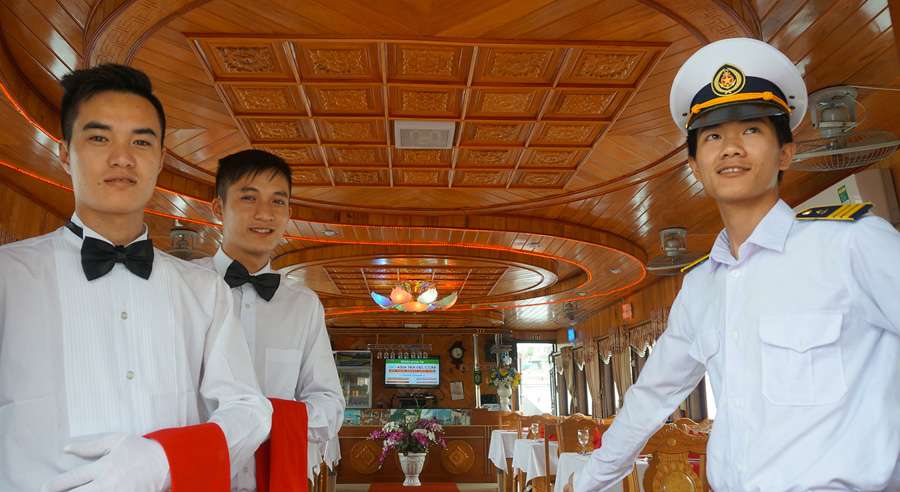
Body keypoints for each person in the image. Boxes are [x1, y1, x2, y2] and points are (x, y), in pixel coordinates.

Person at [573, 38, 900, 491]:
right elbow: (650, 398)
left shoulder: (853, 245)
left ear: (785, 153)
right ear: (694, 165)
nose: (730, 148)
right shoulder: (701, 286)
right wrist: (588, 483)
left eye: (751, 130)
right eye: (712, 136)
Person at [0, 64, 272, 491]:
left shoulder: (204, 290)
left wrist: (165, 459)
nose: (122, 158)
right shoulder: (9, 277)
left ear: (160, 159)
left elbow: (249, 410)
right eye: (99, 138)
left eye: (141, 141)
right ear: (65, 153)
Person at [194, 149, 345, 491]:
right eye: (249, 197)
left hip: (276, 477)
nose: (265, 213)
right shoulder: (181, 287)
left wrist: (267, 417)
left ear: (289, 212)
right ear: (218, 207)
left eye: (278, 201)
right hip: (195, 475)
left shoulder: (304, 305)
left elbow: (330, 404)